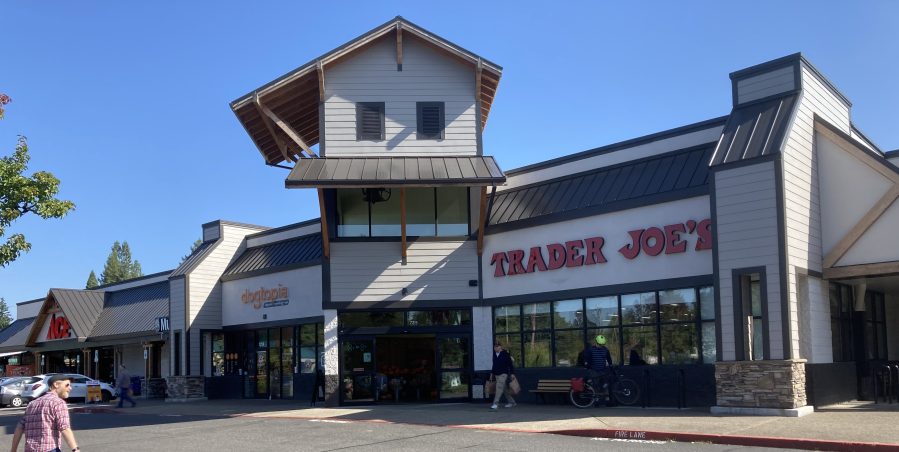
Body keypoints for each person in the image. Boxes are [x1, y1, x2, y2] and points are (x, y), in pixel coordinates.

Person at [10, 374, 80, 452]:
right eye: (67, 385)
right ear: (56, 385)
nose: (70, 388)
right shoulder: (58, 403)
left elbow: (19, 428)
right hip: (49, 449)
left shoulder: (32, 404)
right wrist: (75, 449)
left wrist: (13, 450)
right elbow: (65, 428)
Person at [489, 341, 516, 410]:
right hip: (496, 374)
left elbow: (510, 364)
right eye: (495, 346)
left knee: (499, 387)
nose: (495, 348)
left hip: (503, 374)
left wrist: (512, 373)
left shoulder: (505, 354)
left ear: (500, 347)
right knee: (504, 389)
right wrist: (492, 374)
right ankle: (512, 402)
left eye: (497, 346)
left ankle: (495, 404)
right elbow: (494, 365)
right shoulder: (494, 354)